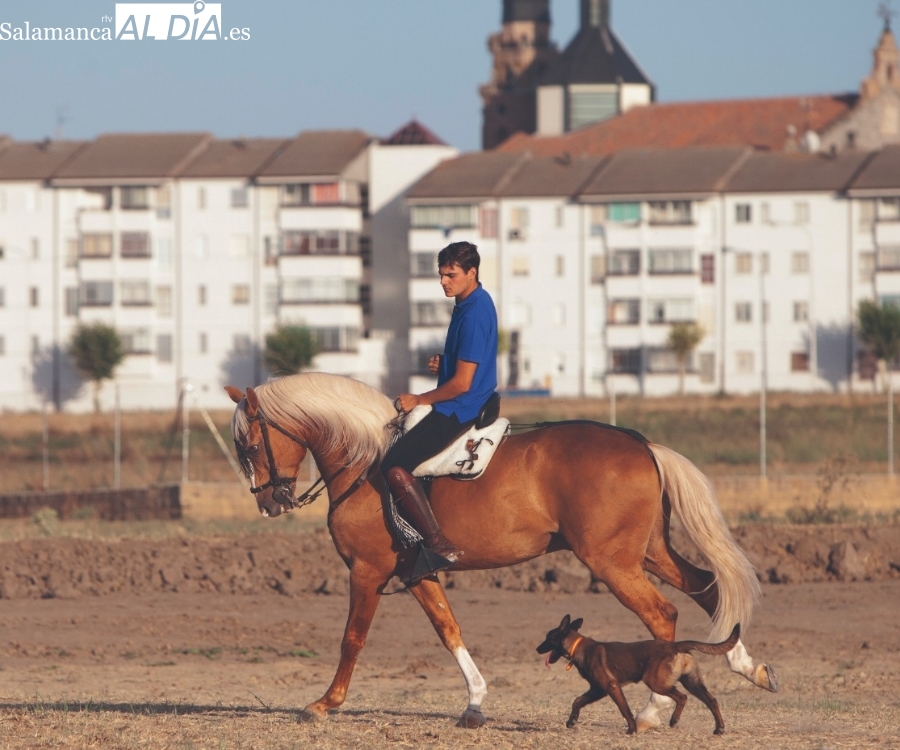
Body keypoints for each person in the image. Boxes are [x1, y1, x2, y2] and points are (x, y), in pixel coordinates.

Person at [381, 241, 498, 577]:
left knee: (393, 465)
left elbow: (462, 384)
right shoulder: (469, 302)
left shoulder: (474, 314)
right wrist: (445, 362)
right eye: (441, 275)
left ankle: (438, 545)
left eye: (451, 275)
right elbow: (467, 365)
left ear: (471, 273)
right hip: (465, 399)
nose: (444, 282)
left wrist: (420, 399)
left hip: (461, 407)